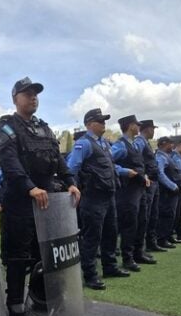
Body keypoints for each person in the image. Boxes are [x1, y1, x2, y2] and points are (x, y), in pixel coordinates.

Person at [0, 77, 80, 316]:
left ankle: (43, 299)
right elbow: (10, 162)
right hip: (20, 200)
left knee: (45, 254)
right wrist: (30, 187)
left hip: (47, 201)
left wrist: (70, 181)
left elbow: (58, 159)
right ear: (15, 99)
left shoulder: (44, 128)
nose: (33, 97)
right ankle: (16, 306)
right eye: (27, 93)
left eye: (35, 94)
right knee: (18, 257)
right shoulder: (6, 126)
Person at [67, 109, 130, 290]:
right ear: (89, 124)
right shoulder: (83, 144)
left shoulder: (104, 144)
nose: (104, 124)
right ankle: (90, 275)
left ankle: (110, 267)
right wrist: (73, 187)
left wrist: (126, 172)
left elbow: (111, 167)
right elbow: (72, 167)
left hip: (108, 195)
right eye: (100, 121)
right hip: (93, 197)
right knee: (91, 237)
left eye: (104, 121)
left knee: (110, 233)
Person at [111, 115, 149, 271]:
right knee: (129, 225)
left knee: (141, 221)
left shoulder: (132, 144)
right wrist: (123, 171)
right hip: (127, 191)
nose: (138, 127)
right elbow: (108, 162)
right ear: (129, 126)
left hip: (139, 189)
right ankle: (127, 258)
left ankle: (138, 253)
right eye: (136, 124)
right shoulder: (120, 145)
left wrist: (144, 175)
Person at [133, 120, 159, 264]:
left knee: (150, 216)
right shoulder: (140, 142)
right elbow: (136, 158)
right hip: (146, 183)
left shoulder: (145, 142)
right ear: (147, 129)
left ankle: (145, 246)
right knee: (143, 217)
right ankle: (138, 250)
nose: (153, 131)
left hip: (152, 183)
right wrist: (143, 174)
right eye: (152, 128)